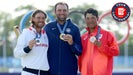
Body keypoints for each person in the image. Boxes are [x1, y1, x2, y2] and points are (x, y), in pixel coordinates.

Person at [44, 2, 82, 75]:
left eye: (64, 10)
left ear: (68, 11)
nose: (62, 12)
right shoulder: (48, 27)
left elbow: (79, 51)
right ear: (55, 12)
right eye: (59, 10)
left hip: (69, 71)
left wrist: (72, 43)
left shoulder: (74, 28)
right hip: (51, 70)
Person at [78, 8, 120, 75]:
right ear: (85, 20)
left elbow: (116, 52)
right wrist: (81, 69)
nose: (90, 20)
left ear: (97, 18)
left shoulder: (108, 34)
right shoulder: (83, 37)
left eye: (92, 18)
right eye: (87, 18)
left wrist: (101, 46)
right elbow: (80, 55)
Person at [14, 9, 49, 75]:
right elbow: (17, 54)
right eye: (38, 18)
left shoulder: (46, 35)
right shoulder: (25, 33)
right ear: (32, 19)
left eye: (43, 18)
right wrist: (28, 48)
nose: (41, 20)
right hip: (29, 72)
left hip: (45, 72)